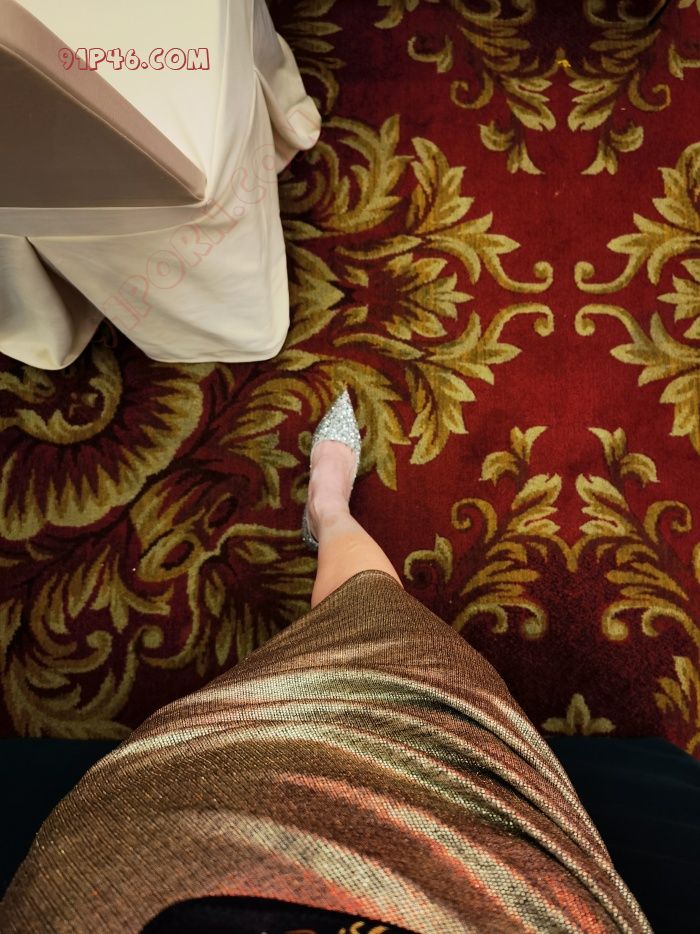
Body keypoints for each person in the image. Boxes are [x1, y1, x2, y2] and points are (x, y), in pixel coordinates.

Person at [0, 389, 655, 933]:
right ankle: (331, 515)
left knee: (377, 632)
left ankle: (330, 514)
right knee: (383, 625)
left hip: (133, 861)